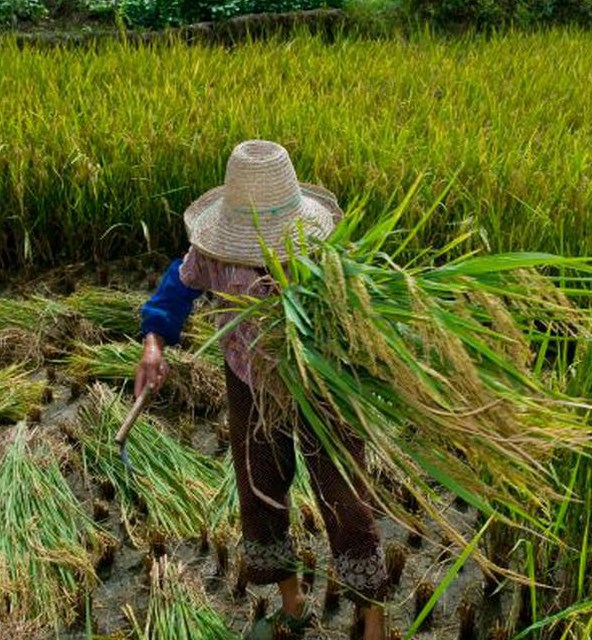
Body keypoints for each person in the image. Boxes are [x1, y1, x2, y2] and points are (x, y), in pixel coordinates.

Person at [134, 140, 388, 640]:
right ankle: (293, 604)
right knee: (260, 489)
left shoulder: (323, 253)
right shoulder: (213, 253)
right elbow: (176, 289)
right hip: (249, 381)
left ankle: (374, 620)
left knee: (344, 497)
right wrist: (153, 343)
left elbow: (363, 313)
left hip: (321, 383)